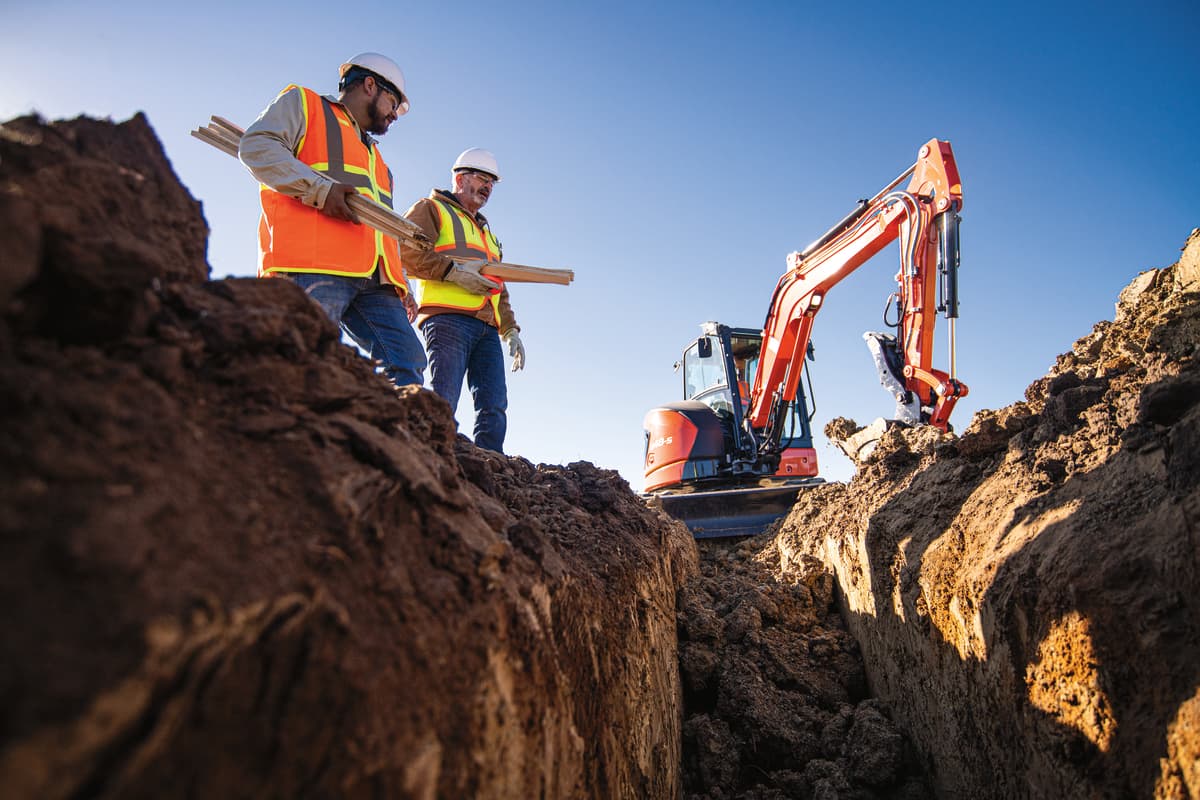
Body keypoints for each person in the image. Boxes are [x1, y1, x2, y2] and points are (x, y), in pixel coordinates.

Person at [238, 52, 425, 387]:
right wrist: (320, 190)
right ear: (370, 85)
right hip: (313, 265)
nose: (395, 115)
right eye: (393, 102)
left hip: (375, 281)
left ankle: (387, 439)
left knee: (407, 363)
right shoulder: (305, 105)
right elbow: (256, 147)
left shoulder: (379, 161)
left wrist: (403, 284)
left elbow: (385, 229)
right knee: (299, 356)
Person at [400, 148, 525, 453]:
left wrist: (510, 329)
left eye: (492, 183)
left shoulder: (488, 235)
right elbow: (405, 252)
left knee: (494, 405)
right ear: (460, 178)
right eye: (482, 179)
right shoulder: (431, 209)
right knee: (444, 399)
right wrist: (453, 273)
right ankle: (432, 457)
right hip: (447, 320)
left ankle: (490, 470)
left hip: (485, 327)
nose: (488, 187)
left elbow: (499, 286)